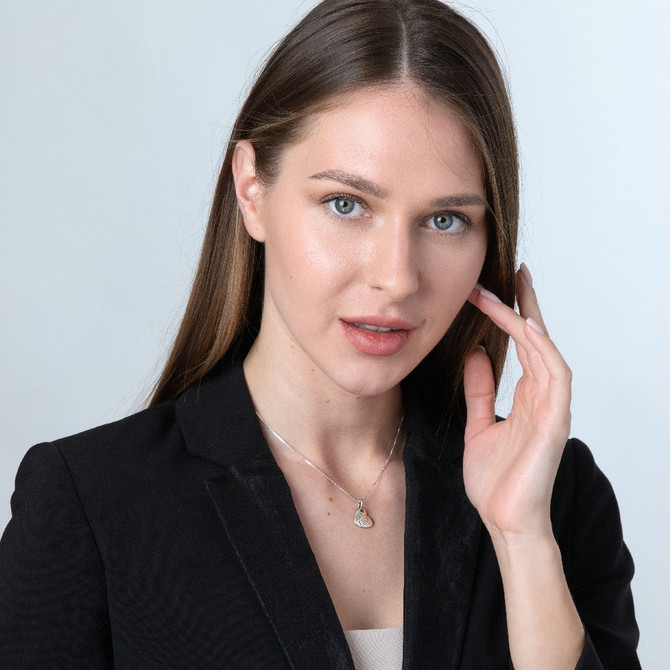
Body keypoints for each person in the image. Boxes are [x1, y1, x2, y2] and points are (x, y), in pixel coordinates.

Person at [0, 0, 639, 667]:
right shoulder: (93, 503)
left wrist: (522, 541)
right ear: (251, 190)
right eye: (346, 204)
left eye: (446, 220)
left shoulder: (556, 499)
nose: (396, 278)